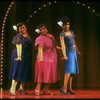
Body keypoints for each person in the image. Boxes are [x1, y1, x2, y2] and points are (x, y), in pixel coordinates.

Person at [33, 24, 59, 95]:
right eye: (40, 29)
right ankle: (37, 89)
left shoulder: (50, 37)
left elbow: (55, 46)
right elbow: (40, 49)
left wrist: (53, 38)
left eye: (44, 28)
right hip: (43, 58)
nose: (42, 30)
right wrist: (40, 60)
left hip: (52, 58)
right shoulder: (39, 38)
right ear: (39, 32)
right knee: (41, 74)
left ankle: (46, 90)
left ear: (47, 29)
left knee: (49, 75)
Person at [58, 16, 81, 95]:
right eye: (65, 25)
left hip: (74, 52)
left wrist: (77, 50)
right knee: (68, 71)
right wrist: (64, 55)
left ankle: (69, 88)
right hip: (69, 53)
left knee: (72, 72)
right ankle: (64, 89)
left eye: (68, 24)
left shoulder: (71, 32)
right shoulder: (62, 34)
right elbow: (63, 45)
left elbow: (74, 42)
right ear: (62, 26)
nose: (67, 26)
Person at [9, 22, 33, 96]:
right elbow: (19, 45)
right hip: (19, 54)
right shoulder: (19, 36)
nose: (22, 29)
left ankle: (21, 88)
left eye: (23, 27)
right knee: (17, 71)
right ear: (18, 30)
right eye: (20, 28)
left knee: (24, 71)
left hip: (26, 56)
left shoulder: (27, 36)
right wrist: (19, 56)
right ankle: (12, 88)